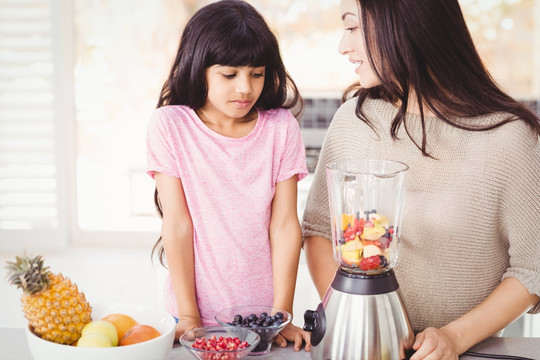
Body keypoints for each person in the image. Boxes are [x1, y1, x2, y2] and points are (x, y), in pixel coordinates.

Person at [302, 0, 540, 359]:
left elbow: (532, 271)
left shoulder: (508, 138)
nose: (343, 46)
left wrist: (454, 338)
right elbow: (320, 231)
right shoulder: (353, 121)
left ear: (402, 26)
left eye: (352, 28)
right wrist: (350, 318)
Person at [146, 0, 311, 351]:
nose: (245, 89)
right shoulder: (170, 126)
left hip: (261, 320)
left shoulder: (281, 128)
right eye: (229, 74)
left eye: (257, 73)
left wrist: (280, 315)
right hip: (189, 314)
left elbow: (284, 226)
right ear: (198, 67)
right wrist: (189, 317)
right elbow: (177, 224)